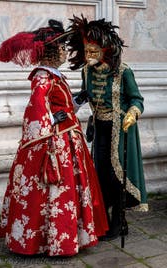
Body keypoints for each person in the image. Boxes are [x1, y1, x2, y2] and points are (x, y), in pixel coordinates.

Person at [0, 19, 108, 256]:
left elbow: (63, 107)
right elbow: (36, 110)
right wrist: (51, 121)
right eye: (62, 48)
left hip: (68, 138)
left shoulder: (56, 76)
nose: (65, 52)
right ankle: (48, 239)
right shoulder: (42, 77)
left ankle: (66, 236)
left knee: (69, 189)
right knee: (52, 189)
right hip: (54, 143)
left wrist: (78, 100)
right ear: (51, 51)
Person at [67, 15, 148, 241]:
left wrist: (132, 113)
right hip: (99, 128)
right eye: (87, 50)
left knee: (116, 175)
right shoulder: (87, 71)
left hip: (120, 130)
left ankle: (119, 221)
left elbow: (137, 99)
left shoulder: (123, 71)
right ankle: (104, 220)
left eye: (93, 50)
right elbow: (85, 96)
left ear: (105, 49)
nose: (89, 55)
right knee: (100, 174)